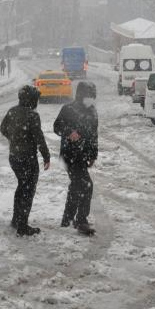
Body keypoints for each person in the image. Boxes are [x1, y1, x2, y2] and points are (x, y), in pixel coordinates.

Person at [0, 85, 51, 237]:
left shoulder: (12, 111)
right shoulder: (32, 116)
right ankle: (22, 226)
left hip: (14, 157)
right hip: (28, 158)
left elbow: (3, 129)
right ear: (32, 100)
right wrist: (46, 157)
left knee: (22, 186)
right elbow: (39, 138)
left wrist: (14, 139)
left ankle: (16, 220)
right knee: (28, 190)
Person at [54, 81, 99, 236]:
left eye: (93, 96)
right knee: (85, 185)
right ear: (80, 95)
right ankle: (80, 220)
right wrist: (69, 132)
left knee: (76, 186)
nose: (91, 99)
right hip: (70, 155)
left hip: (83, 155)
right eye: (88, 96)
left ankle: (68, 219)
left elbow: (94, 135)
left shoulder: (92, 111)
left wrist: (93, 154)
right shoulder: (68, 109)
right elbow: (57, 126)